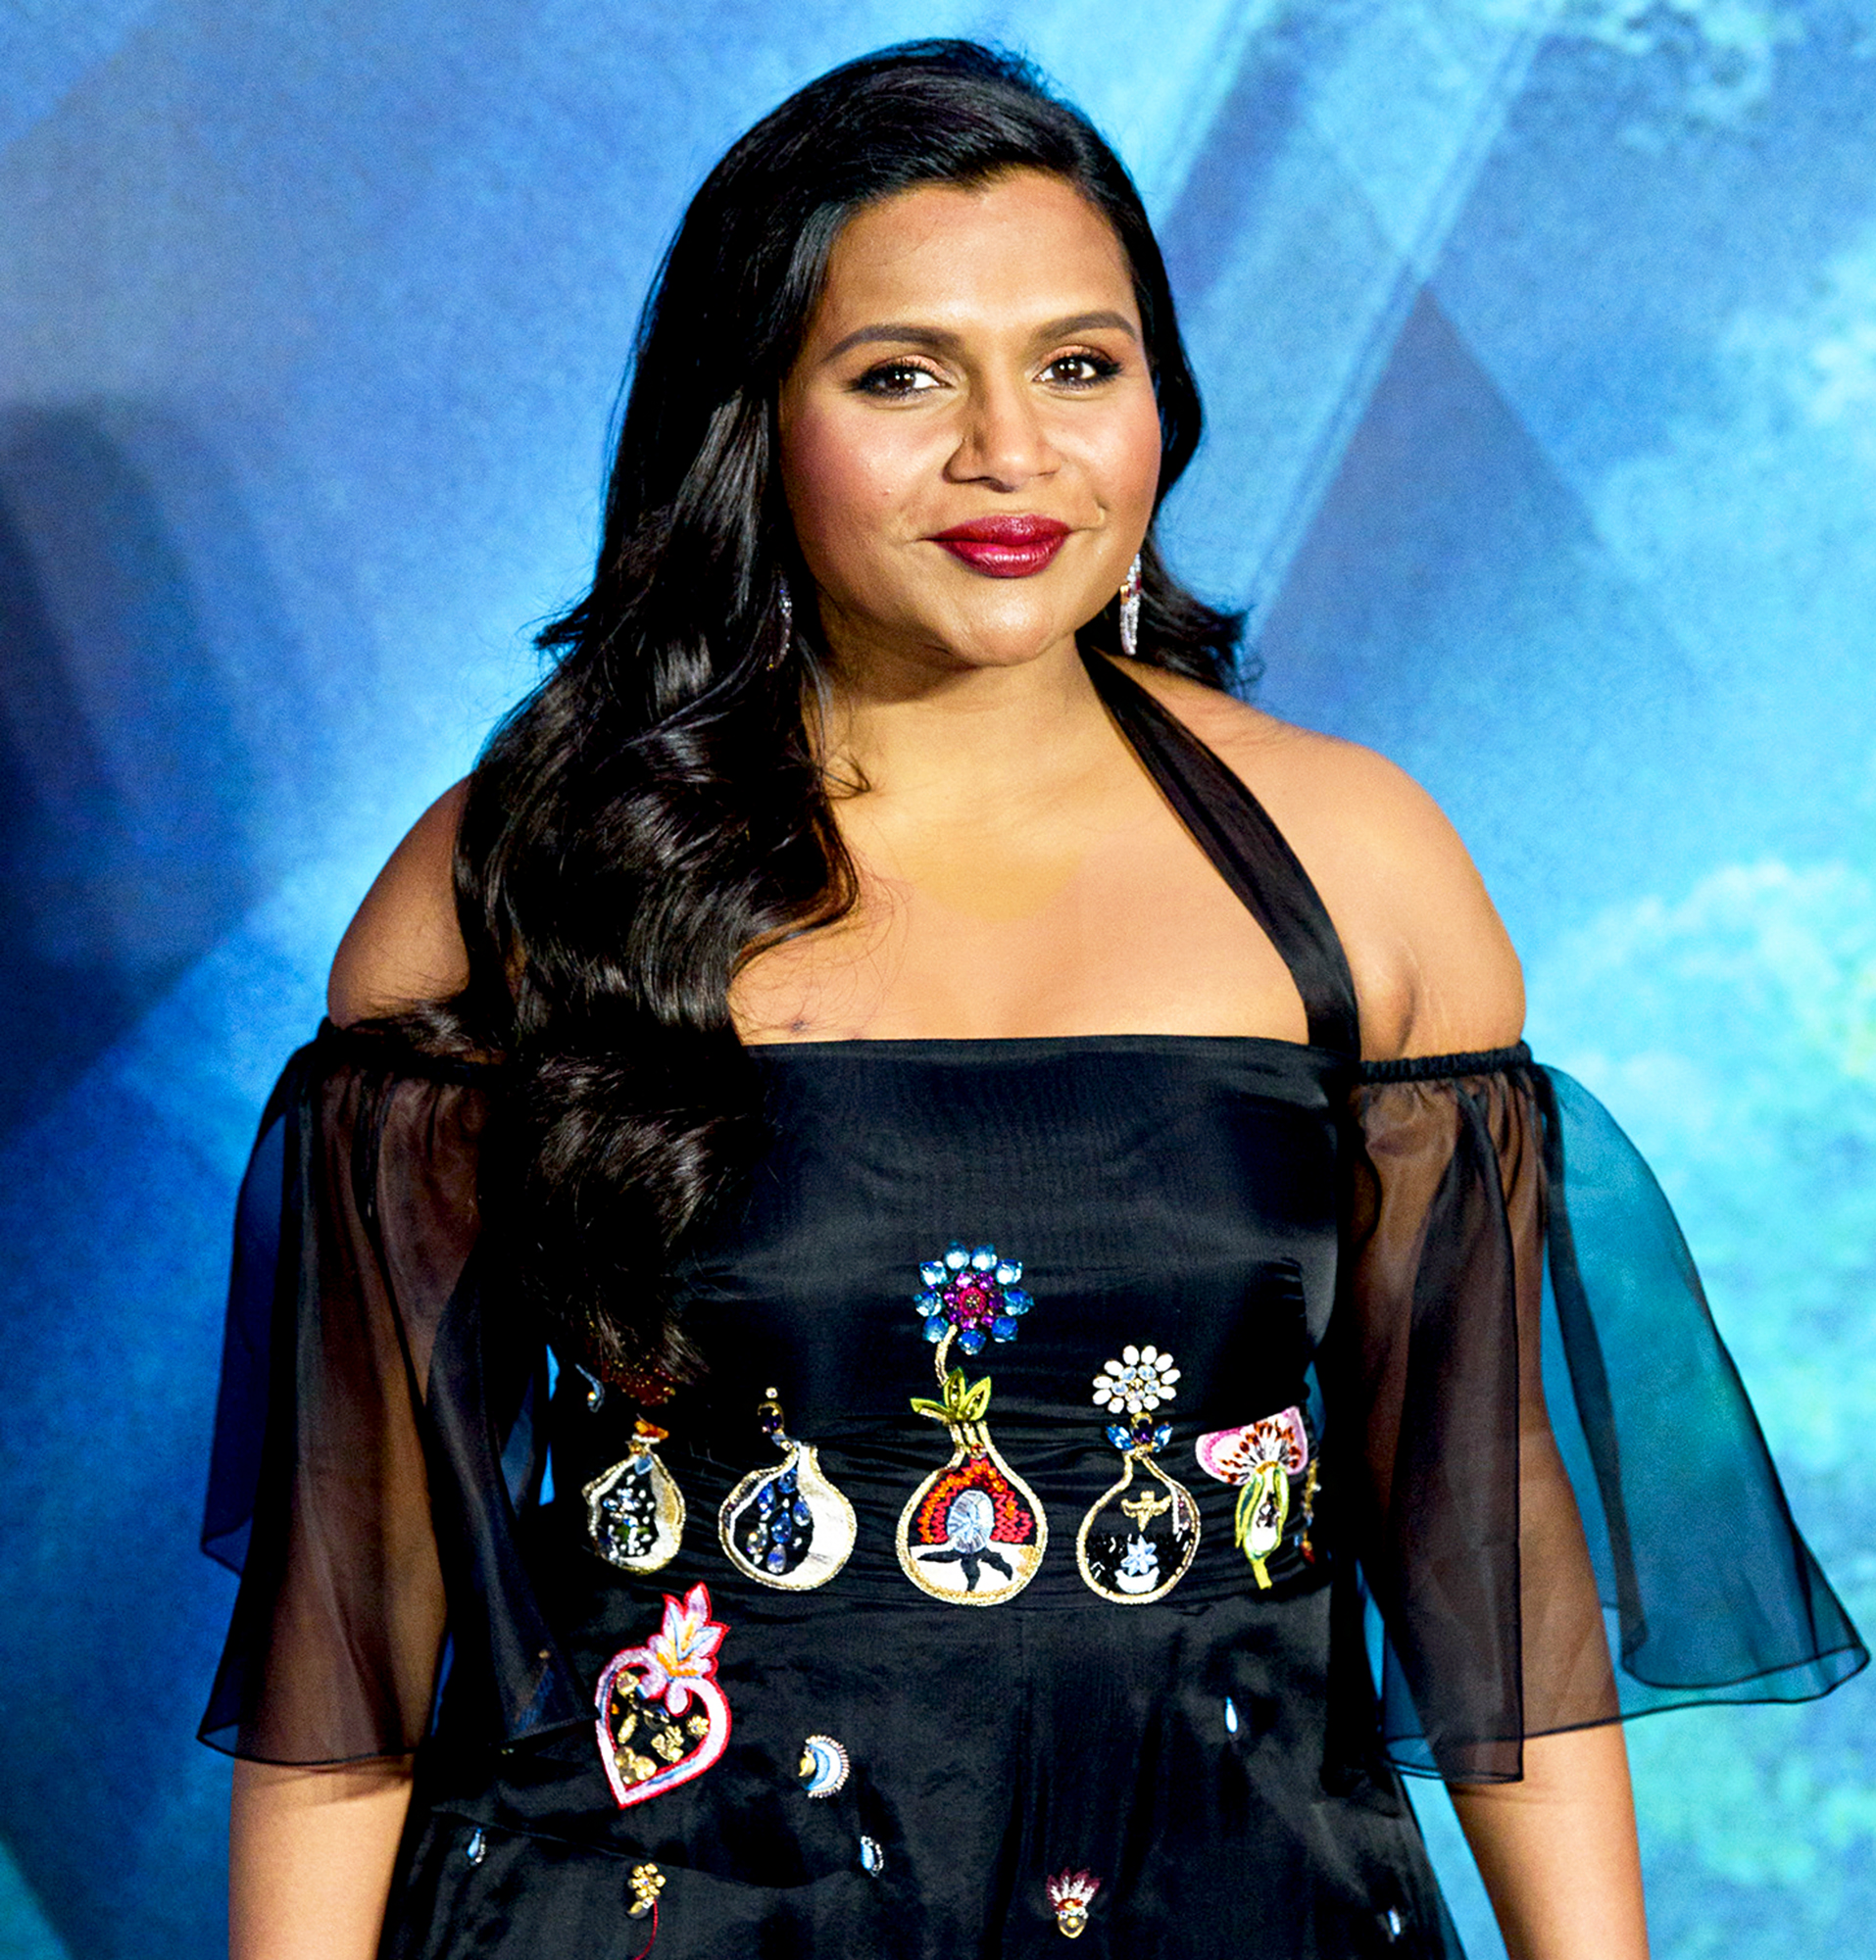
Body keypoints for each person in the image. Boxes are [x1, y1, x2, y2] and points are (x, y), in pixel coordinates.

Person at [199, 40, 1864, 1960]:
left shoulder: (1360, 864)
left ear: (1166, 397)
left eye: (1081, 365)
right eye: (902, 374)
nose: (1011, 450)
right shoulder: (523, 868)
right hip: (649, 1909)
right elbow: (363, 1587)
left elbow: (1482, 1529)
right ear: (753, 418)